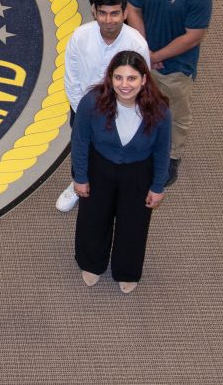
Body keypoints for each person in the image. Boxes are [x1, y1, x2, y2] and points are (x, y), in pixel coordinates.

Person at [72, 50, 171, 294]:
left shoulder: (159, 110)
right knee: (93, 218)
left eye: (131, 78)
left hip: (138, 173)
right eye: (118, 78)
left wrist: (158, 186)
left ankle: (127, 270)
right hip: (100, 168)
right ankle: (92, 263)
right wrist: (80, 177)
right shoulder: (92, 102)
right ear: (110, 78)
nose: (124, 85)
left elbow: (162, 150)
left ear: (144, 79)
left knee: (134, 224)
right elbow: (80, 141)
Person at [126, 0, 212, 187]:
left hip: (176, 67)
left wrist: (156, 55)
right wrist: (144, 49)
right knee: (137, 104)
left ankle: (172, 156)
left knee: (175, 113)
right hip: (143, 58)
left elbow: (193, 36)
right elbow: (133, 8)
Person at [56, 0, 150, 212]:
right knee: (82, 147)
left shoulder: (137, 44)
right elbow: (72, 78)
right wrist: (85, 113)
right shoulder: (80, 37)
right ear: (94, 12)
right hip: (84, 108)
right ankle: (77, 182)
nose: (109, 20)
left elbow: (142, 85)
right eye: (103, 13)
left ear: (125, 13)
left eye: (115, 13)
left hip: (124, 110)